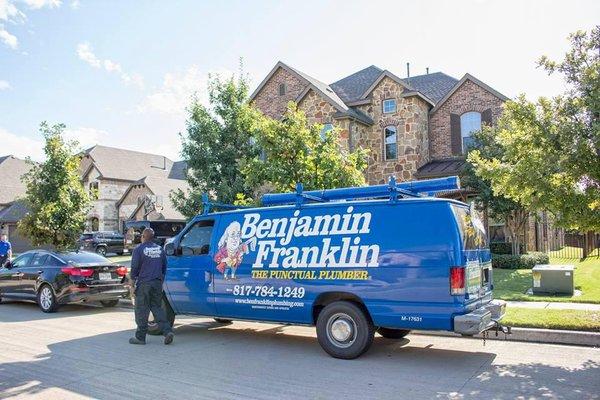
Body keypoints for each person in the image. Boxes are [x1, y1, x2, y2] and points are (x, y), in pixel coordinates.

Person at [129, 228, 174, 345]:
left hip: (144, 284)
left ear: (143, 237)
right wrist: (160, 281)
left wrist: (132, 284)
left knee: (142, 310)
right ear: (153, 237)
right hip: (157, 283)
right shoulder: (160, 250)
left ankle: (140, 337)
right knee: (157, 308)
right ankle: (167, 331)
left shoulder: (138, 249)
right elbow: (164, 267)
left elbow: (134, 268)